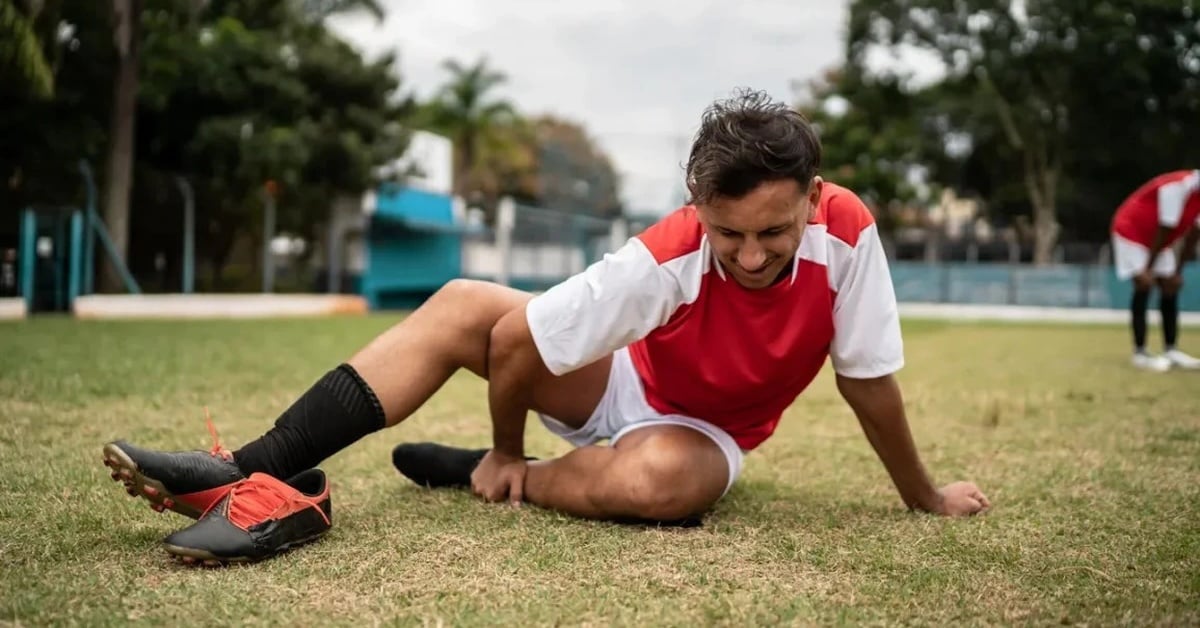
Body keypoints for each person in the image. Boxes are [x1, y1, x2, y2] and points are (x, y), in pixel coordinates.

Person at [100, 88, 991, 566]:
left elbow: (866, 378)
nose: (752, 255)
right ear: (697, 210)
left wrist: (924, 496)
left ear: (814, 196)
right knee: (460, 304)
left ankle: (503, 477)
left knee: (662, 490)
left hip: (704, 431)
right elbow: (518, 341)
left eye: (774, 231)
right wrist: (504, 441)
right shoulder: (665, 255)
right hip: (618, 380)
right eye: (730, 234)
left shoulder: (850, 236)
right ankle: (245, 472)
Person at [1109, 169, 1200, 372]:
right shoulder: (1176, 187)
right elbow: (1165, 226)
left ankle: (1171, 350)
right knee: (1144, 284)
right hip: (1131, 231)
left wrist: (1177, 272)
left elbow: (1194, 235)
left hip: (1158, 241)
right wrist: (1147, 269)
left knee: (1170, 287)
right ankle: (1140, 352)